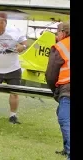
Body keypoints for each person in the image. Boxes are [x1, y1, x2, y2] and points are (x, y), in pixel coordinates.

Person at [45, 22, 70, 159]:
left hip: (68, 88)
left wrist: (55, 90)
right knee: (62, 114)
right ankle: (67, 149)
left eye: (57, 32)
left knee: (65, 119)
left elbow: (51, 74)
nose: (56, 35)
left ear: (64, 33)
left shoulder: (60, 47)